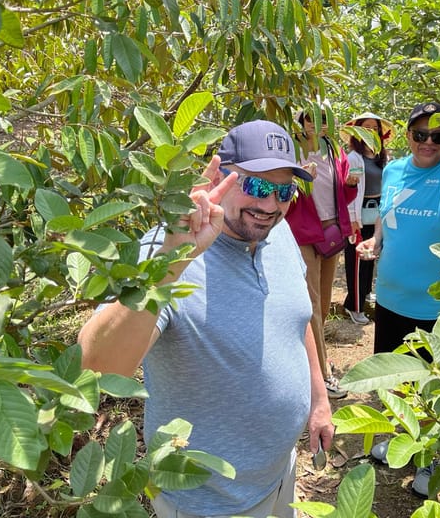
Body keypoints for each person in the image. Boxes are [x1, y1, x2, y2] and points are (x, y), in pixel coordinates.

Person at [77, 120, 335, 518]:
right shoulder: (168, 252)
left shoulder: (277, 234)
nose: (270, 205)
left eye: (283, 191)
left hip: (280, 476)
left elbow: (295, 321)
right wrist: (170, 261)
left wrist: (319, 401)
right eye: (257, 186)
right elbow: (96, 368)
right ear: (222, 177)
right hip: (208, 502)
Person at [356, 101, 440, 498]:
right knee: (396, 376)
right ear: (408, 134)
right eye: (420, 134)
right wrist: (376, 240)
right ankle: (404, 438)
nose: (427, 142)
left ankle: (431, 458)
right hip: (392, 297)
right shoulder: (394, 169)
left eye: (438, 135)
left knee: (438, 386)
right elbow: (386, 213)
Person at [285, 109, 358, 399]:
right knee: (312, 301)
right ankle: (322, 375)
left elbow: (340, 194)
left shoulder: (334, 150)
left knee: (325, 303)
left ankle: (314, 354)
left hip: (331, 231)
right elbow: (281, 193)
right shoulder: (293, 151)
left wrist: (350, 186)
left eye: (323, 119)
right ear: (300, 123)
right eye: (310, 119)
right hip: (304, 232)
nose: (317, 124)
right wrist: (300, 181)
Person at [341, 112, 393, 325]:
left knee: (372, 255)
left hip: (378, 213)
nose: (371, 132)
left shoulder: (384, 157)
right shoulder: (353, 158)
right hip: (359, 214)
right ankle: (353, 305)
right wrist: (352, 218)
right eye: (366, 127)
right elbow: (350, 190)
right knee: (357, 262)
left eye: (375, 128)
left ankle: (364, 293)